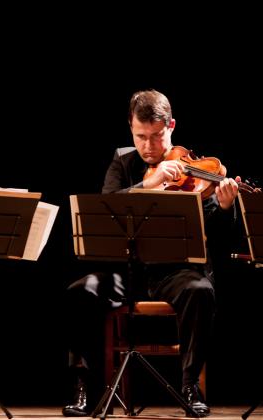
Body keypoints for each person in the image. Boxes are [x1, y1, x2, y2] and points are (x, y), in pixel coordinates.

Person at [62, 89, 240, 417]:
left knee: (200, 291)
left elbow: (217, 234)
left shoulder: (193, 168)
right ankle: (84, 388)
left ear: (170, 126)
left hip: (175, 272)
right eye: (140, 136)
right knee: (81, 291)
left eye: (156, 136)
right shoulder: (123, 162)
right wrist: (151, 182)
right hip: (126, 271)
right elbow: (107, 204)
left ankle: (190, 386)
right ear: (131, 128)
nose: (148, 146)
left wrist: (226, 206)